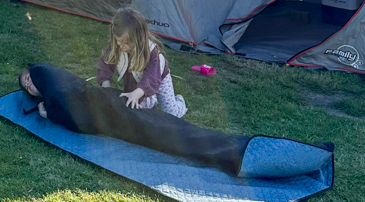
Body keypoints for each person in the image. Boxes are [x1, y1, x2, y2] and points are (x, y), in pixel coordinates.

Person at [18, 63, 250, 175]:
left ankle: (234, 151)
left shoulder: (41, 72)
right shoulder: (49, 95)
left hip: (108, 105)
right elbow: (76, 118)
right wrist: (47, 108)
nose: (28, 83)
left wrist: (46, 112)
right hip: (108, 117)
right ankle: (230, 152)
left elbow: (67, 102)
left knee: (161, 130)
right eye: (25, 86)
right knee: (157, 133)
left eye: (27, 78)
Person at [97, 7, 187, 117]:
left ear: (137, 39)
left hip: (158, 78)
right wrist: (106, 88)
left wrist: (138, 92)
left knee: (171, 114)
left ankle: (179, 104)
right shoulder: (118, 44)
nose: (120, 45)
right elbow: (106, 63)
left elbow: (151, 77)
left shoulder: (151, 52)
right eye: (118, 40)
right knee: (134, 107)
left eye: (125, 43)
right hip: (134, 79)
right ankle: (151, 99)